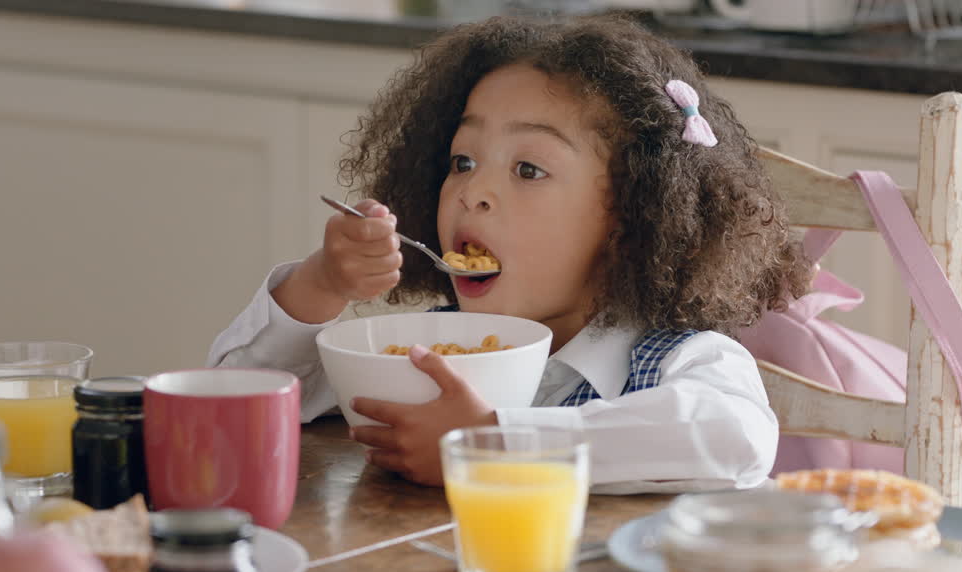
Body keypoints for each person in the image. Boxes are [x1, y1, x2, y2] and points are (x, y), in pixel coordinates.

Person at [209, 14, 812, 492]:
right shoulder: (426, 353)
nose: (473, 191)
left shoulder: (679, 362)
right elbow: (229, 401)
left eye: (528, 169)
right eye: (462, 161)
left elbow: (735, 438)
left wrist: (495, 441)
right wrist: (321, 284)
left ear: (632, 219)